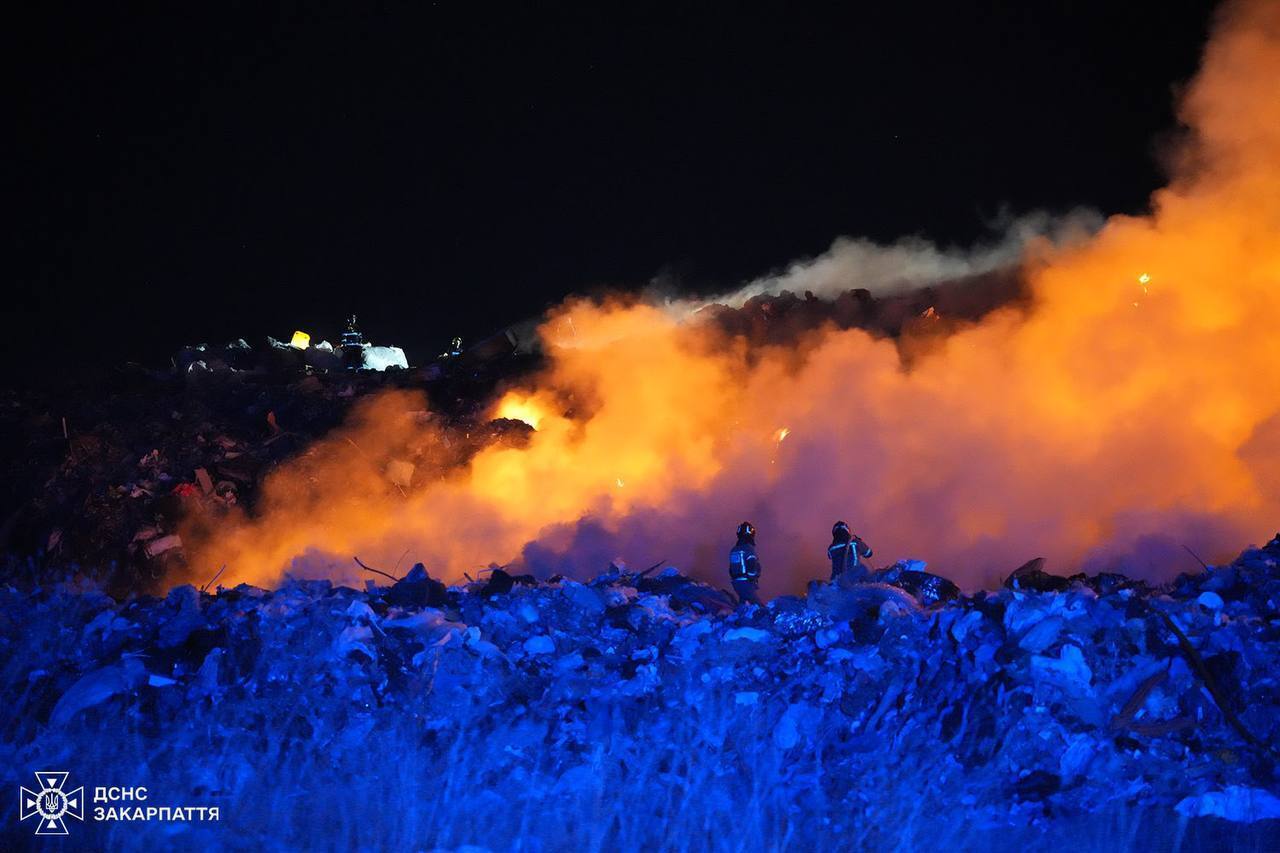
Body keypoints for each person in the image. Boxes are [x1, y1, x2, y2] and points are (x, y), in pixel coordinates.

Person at [729, 521, 763, 605]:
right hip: (746, 583)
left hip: (736, 583)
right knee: (757, 607)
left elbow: (731, 569)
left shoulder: (734, 550)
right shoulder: (748, 549)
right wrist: (753, 577)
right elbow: (753, 567)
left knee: (744, 605)